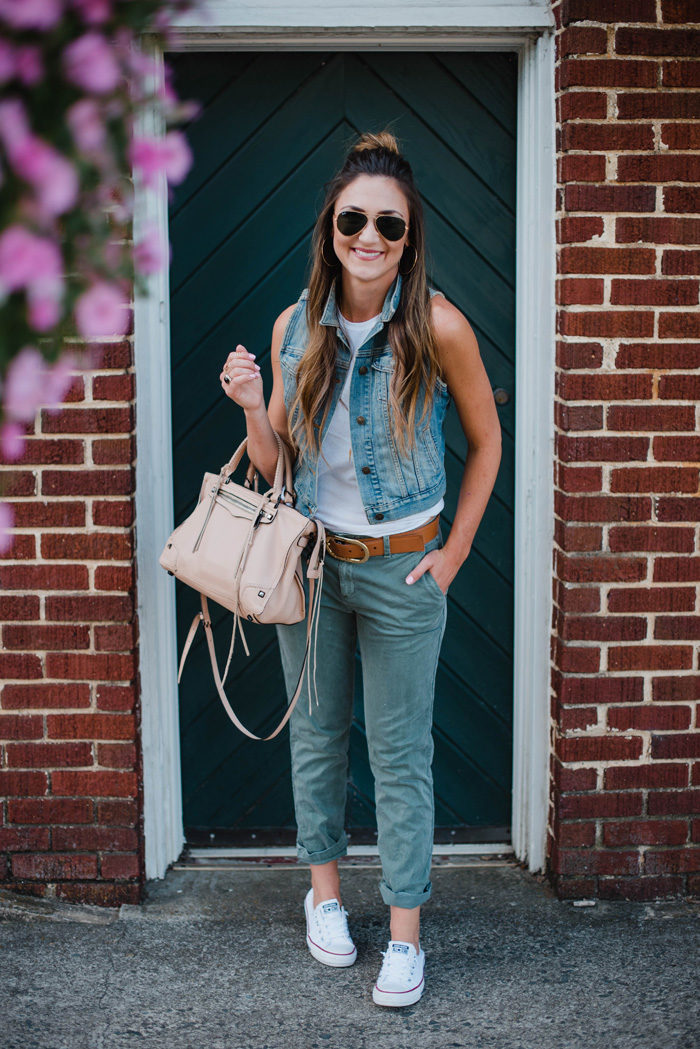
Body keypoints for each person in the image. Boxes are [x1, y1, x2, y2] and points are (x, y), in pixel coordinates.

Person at [219, 130, 501, 1007]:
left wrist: (451, 553)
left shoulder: (439, 326)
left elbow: (488, 445)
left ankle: (406, 936)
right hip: (311, 565)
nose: (369, 236)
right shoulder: (293, 327)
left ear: (408, 237)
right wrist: (247, 405)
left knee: (402, 753)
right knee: (315, 736)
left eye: (389, 223)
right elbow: (276, 467)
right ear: (331, 228)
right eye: (354, 219)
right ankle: (327, 896)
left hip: (402, 571)